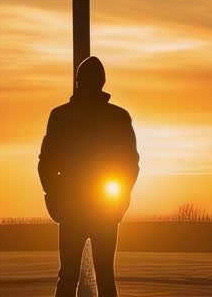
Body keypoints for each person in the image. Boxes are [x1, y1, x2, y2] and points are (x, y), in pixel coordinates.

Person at [38, 56, 140, 297]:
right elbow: (47, 163)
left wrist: (55, 197)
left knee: (82, 276)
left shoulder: (65, 116)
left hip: (89, 206)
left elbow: (130, 164)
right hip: (87, 206)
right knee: (95, 276)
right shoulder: (115, 117)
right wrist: (54, 198)